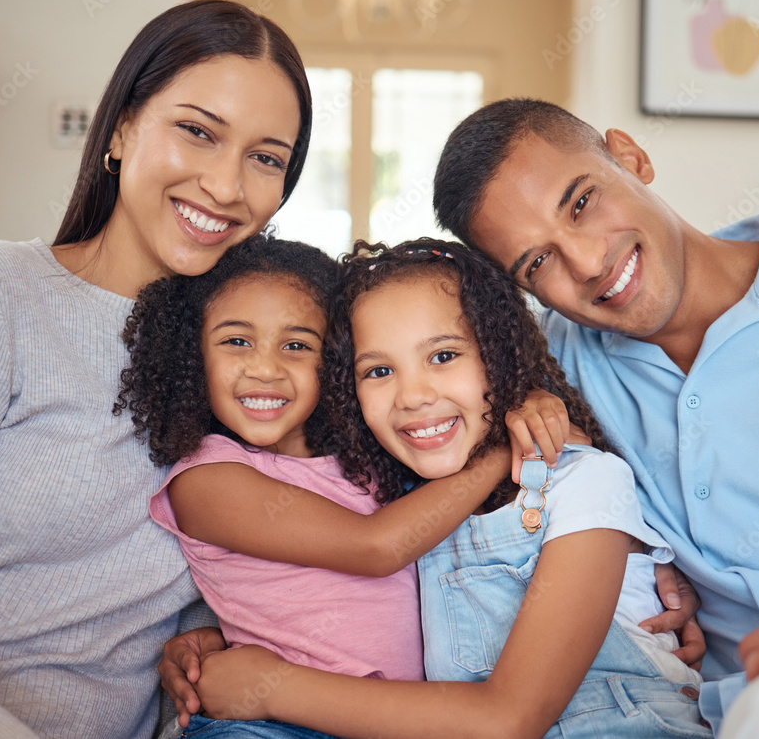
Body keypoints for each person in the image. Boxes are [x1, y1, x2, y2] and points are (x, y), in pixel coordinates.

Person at [0, 1, 313, 737]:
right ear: (120, 128)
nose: (228, 186)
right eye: (198, 132)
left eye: (266, 157)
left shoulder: (253, 360)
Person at [430, 98, 759, 735]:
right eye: (538, 263)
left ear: (630, 156)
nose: (585, 263)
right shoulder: (549, 369)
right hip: (725, 710)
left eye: (580, 202)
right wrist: (636, 547)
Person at [189, 240, 711, 739]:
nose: (413, 396)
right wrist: (219, 642)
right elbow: (349, 586)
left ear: (499, 355)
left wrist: (273, 689)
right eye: (379, 370)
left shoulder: (583, 480)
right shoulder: (408, 499)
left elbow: (507, 721)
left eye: (443, 356)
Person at [121, 236, 583, 738]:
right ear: (191, 355)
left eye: (297, 345)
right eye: (237, 341)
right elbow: (376, 546)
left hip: (395, 717)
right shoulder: (206, 478)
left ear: (337, 363)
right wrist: (503, 442)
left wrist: (524, 403)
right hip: (271, 724)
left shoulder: (371, 460)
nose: (266, 368)